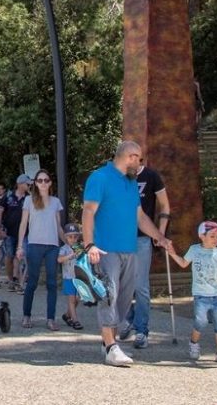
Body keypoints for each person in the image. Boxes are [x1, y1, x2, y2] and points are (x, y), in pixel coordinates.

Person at [81, 141, 173, 367]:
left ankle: (108, 344)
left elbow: (140, 216)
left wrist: (159, 237)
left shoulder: (131, 184)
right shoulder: (100, 178)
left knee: (123, 300)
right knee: (108, 296)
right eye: (138, 158)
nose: (140, 163)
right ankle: (112, 347)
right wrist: (89, 244)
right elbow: (88, 211)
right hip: (105, 249)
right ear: (128, 156)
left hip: (130, 249)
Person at [119, 160, 172, 349]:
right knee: (120, 284)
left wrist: (160, 232)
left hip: (142, 238)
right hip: (120, 237)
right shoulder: (120, 176)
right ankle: (129, 319)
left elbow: (165, 205)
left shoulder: (151, 177)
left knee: (140, 286)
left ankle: (141, 330)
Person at [166, 221, 217, 364]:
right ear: (202, 236)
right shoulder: (194, 250)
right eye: (212, 236)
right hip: (201, 295)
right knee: (200, 321)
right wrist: (172, 254)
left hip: (216, 295)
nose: (216, 240)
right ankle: (194, 342)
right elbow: (184, 263)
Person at [16, 169, 64, 330]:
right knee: (32, 283)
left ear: (50, 183)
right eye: (39, 180)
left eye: (46, 180)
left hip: (52, 246)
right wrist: (19, 246)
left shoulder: (56, 202)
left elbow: (58, 227)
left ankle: (51, 319)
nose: (43, 183)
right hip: (34, 245)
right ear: (35, 183)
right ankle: (26, 316)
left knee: (52, 283)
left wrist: (70, 244)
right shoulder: (29, 200)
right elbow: (23, 224)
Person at [0, 175, 29, 291]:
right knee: (9, 256)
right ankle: (11, 280)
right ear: (20, 184)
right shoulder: (8, 196)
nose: (29, 185)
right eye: (27, 184)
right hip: (9, 232)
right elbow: (0, 212)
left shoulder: (29, 198)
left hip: (24, 233)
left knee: (20, 256)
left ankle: (18, 282)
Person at [58, 223, 84, 330]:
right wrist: (70, 255)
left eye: (75, 236)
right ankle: (75, 320)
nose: (73, 239)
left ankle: (67, 315)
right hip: (68, 277)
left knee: (77, 299)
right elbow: (59, 259)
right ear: (65, 237)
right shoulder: (64, 248)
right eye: (70, 237)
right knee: (72, 299)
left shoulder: (79, 247)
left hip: (78, 277)